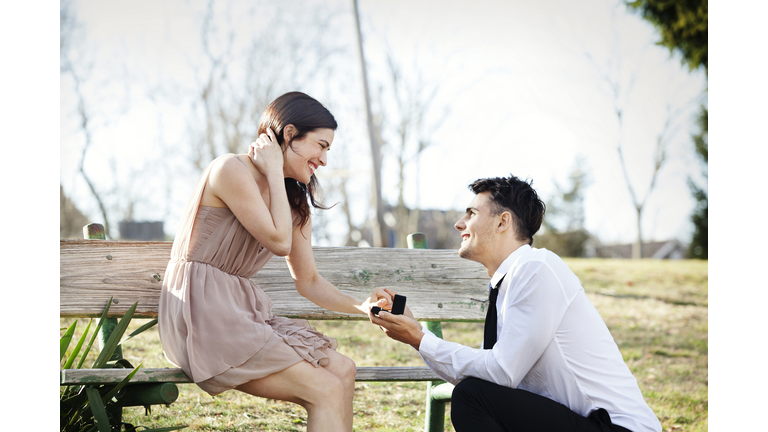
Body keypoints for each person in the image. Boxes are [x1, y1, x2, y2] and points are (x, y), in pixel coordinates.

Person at [159, 91, 390, 432]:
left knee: (343, 370)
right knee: (325, 390)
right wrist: (272, 172)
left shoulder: (293, 199)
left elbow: (308, 281)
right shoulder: (229, 169)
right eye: (321, 146)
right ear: (289, 134)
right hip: (201, 314)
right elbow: (279, 242)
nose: (324, 160)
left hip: (240, 313)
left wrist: (362, 306)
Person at [370, 175, 662, 432]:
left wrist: (420, 339)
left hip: (614, 427)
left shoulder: (537, 268)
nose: (460, 224)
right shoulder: (508, 282)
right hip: (575, 421)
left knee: (472, 397)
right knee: (475, 392)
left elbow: (502, 373)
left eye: (471, 213)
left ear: (503, 221)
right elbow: (491, 378)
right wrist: (415, 335)